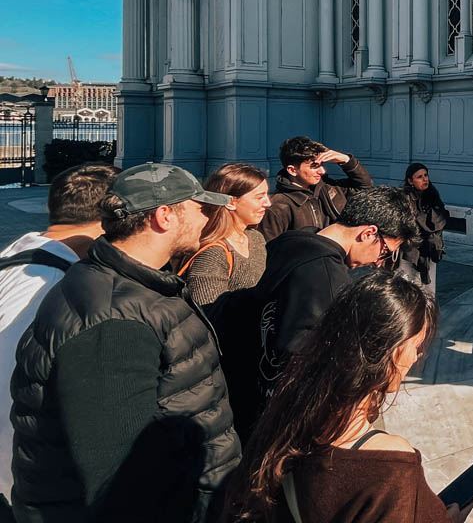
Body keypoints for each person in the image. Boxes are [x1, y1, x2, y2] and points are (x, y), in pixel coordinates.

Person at [9, 163, 240, 523]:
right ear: (165, 215)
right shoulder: (113, 317)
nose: (208, 219)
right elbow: (121, 482)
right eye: (201, 209)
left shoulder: (132, 287)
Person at [222, 271, 470, 523]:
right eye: (416, 347)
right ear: (393, 353)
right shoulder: (391, 466)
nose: (416, 357)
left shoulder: (289, 411)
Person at [0, 163, 119, 502]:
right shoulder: (52, 288)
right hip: (21, 488)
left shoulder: (14, 259)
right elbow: (11, 393)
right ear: (109, 220)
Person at [253, 185, 417, 405]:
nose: (379, 262)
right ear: (368, 233)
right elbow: (311, 368)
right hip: (281, 410)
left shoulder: (291, 242)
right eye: (386, 251)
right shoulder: (330, 280)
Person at [178, 163, 272, 305]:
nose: (268, 203)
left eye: (267, 195)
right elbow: (210, 315)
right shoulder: (212, 254)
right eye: (259, 197)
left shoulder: (255, 238)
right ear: (231, 202)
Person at [259, 135, 373, 242]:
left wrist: (347, 161)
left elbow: (365, 188)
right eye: (314, 166)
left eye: (321, 165)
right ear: (292, 170)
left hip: (338, 260)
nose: (322, 171)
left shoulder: (329, 188)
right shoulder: (279, 206)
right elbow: (270, 249)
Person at [398, 162, 448, 298]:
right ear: (410, 181)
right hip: (410, 251)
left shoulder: (432, 194)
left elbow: (440, 220)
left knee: (429, 291)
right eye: (419, 177)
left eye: (426, 175)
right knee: (409, 289)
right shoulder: (404, 197)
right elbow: (405, 224)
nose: (425, 179)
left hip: (429, 249)